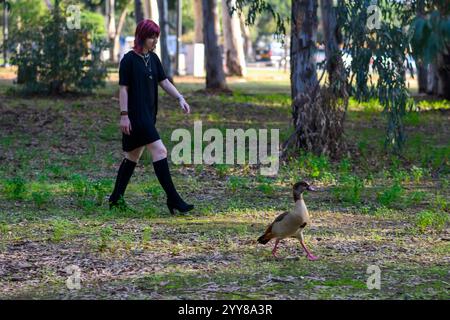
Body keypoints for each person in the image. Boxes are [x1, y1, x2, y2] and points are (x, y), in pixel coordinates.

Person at [108, 19, 194, 215]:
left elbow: (164, 82)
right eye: (151, 37)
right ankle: (173, 198)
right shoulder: (128, 60)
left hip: (148, 114)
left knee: (132, 156)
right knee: (160, 151)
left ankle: (115, 199)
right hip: (135, 116)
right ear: (141, 37)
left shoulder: (153, 59)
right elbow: (123, 90)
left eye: (156, 36)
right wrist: (124, 115)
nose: (154, 40)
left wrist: (180, 97)